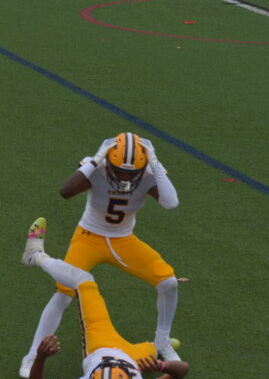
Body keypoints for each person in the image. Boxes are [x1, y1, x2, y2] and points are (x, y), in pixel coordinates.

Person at [19, 132, 182, 377]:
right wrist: (96, 160)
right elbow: (65, 191)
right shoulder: (98, 167)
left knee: (169, 282)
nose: (125, 177)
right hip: (89, 237)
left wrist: (156, 164)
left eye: (131, 173)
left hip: (124, 240)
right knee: (63, 294)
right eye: (120, 171)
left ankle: (162, 342)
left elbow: (171, 202)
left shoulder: (150, 173)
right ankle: (32, 355)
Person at [22, 217, 190, 379]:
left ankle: (36, 255)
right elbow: (182, 370)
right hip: (134, 357)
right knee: (152, 350)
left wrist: (41, 357)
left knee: (84, 281)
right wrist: (161, 366)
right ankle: (161, 345)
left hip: (101, 343)